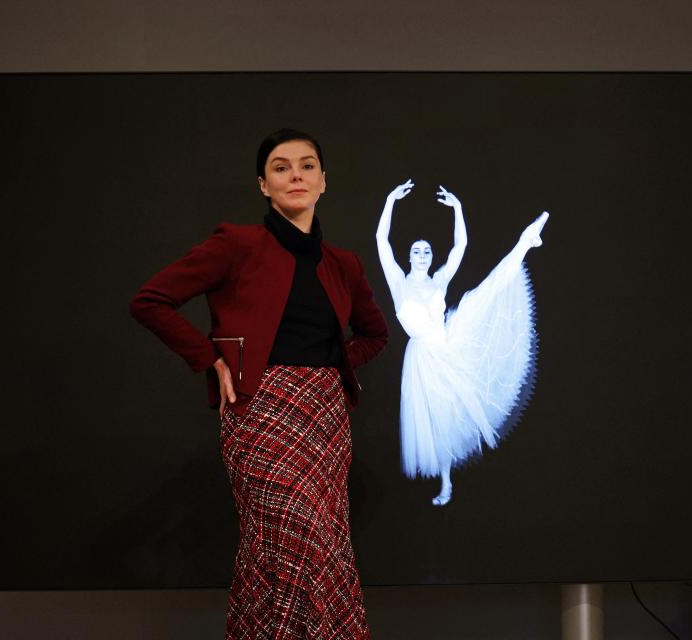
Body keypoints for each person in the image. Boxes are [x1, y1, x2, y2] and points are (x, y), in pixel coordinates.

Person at [129, 129, 387, 639]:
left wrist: (332, 374)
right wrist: (213, 360)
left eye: (307, 165)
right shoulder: (237, 244)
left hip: (324, 421)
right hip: (259, 412)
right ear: (264, 186)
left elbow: (374, 333)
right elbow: (150, 301)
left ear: (323, 181)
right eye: (281, 166)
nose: (296, 174)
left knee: (323, 544)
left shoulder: (343, 264)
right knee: (294, 535)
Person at [375, 179, 548, 506]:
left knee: (484, 294)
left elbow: (460, 248)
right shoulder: (398, 281)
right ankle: (446, 484)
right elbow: (381, 239)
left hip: (448, 343)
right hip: (422, 357)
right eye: (416, 250)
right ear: (408, 255)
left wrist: (457, 209)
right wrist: (390, 201)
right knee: (437, 416)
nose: (423, 255)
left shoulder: (439, 279)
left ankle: (526, 242)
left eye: (427, 250)